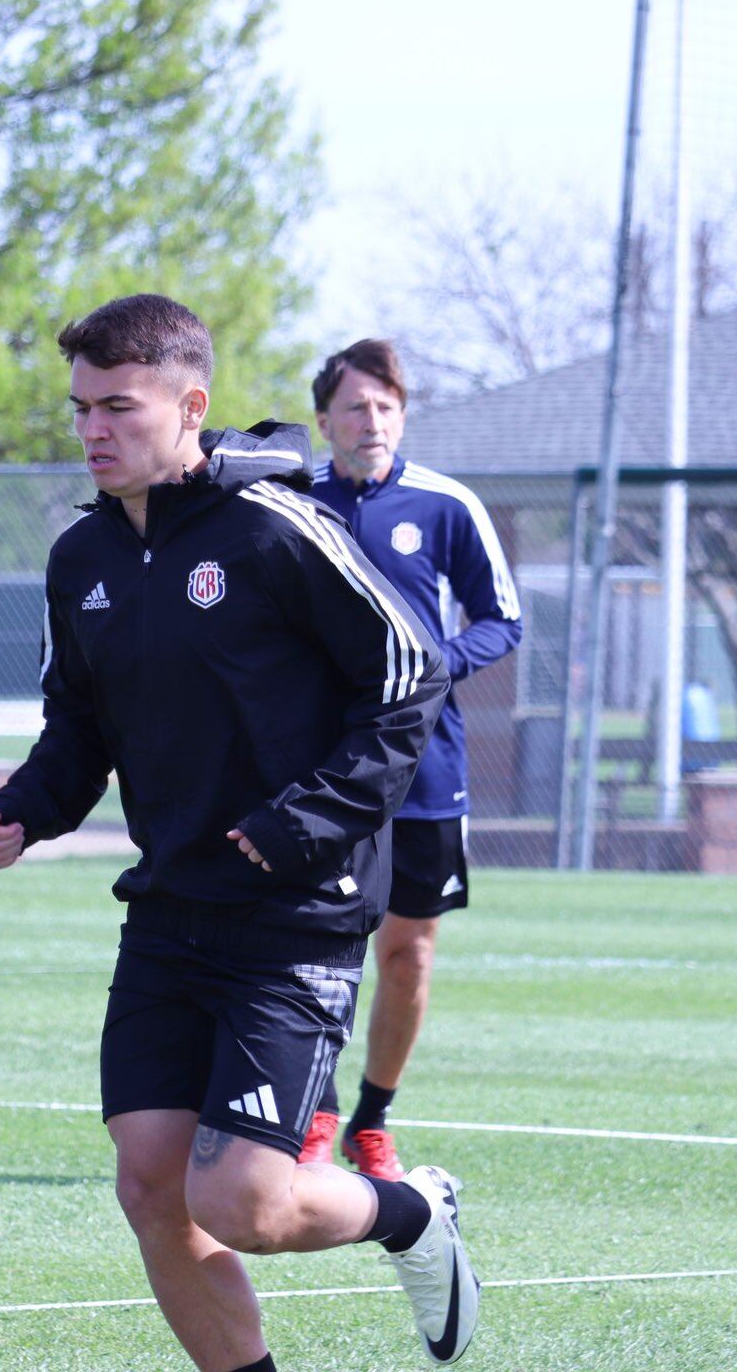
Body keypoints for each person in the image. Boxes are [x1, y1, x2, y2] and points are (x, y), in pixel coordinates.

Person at [0, 295, 479, 1370]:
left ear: (189, 404)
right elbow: (80, 728)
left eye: (118, 406)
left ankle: (409, 1216)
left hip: (296, 909)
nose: (92, 431)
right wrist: (24, 804)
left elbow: (408, 677)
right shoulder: (82, 561)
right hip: (169, 909)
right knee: (151, 1182)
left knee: (243, 1199)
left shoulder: (277, 528)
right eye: (78, 410)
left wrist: (305, 823)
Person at [301, 339, 523, 1182]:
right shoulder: (291, 501)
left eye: (387, 407)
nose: (373, 421)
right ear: (325, 420)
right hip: (319, 765)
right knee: (318, 942)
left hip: (426, 765)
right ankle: (312, 1113)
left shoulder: (445, 505)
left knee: (410, 952)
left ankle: (371, 1120)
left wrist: (427, 668)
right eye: (356, 407)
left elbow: (501, 621)